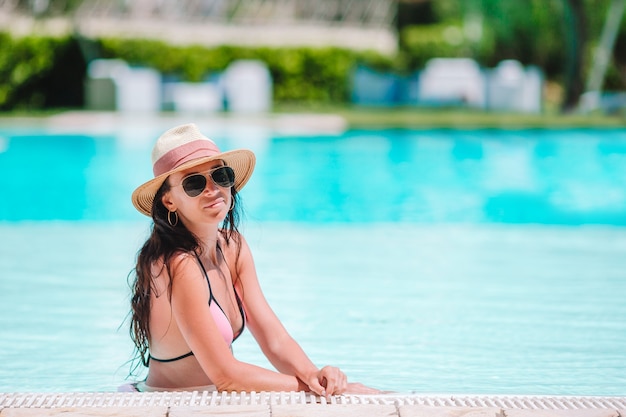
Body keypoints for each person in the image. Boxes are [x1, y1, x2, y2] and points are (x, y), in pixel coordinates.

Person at [128, 123, 380, 396]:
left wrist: (314, 375)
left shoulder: (233, 247)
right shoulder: (180, 265)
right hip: (166, 403)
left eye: (220, 175)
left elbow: (274, 339)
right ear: (168, 201)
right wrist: (310, 388)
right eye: (194, 183)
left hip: (210, 399)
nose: (212, 189)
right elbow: (226, 376)